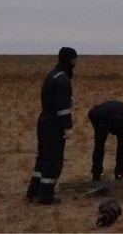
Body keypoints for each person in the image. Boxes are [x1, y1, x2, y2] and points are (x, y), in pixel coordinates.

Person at [26, 47, 77, 204]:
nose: (76, 62)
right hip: (53, 123)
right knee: (53, 159)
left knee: (43, 157)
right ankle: (46, 195)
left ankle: (34, 190)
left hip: (44, 120)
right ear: (69, 59)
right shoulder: (62, 79)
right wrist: (67, 127)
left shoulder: (52, 75)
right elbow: (62, 107)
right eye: (74, 59)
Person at [87, 100, 123, 181]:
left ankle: (118, 174)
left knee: (121, 145)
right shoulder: (97, 116)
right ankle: (97, 173)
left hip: (122, 117)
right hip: (104, 119)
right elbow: (91, 114)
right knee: (100, 144)